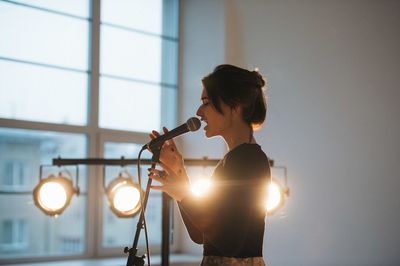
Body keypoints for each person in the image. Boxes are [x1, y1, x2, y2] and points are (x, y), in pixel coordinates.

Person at [148, 64, 271, 266]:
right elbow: (201, 234)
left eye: (206, 102)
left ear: (235, 105)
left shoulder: (248, 161)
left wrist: (183, 194)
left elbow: (231, 243)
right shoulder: (232, 161)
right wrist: (179, 174)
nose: (199, 111)